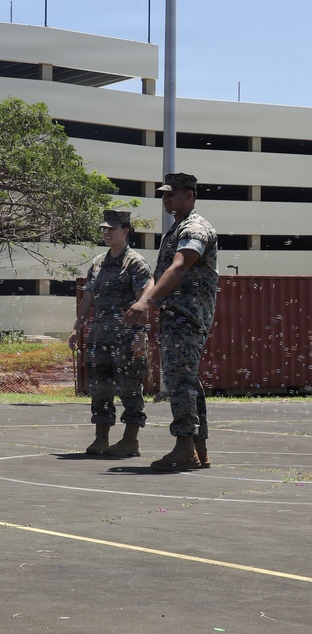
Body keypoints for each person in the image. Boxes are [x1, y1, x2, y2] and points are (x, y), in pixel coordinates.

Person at [125, 173, 219, 471]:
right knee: (187, 380)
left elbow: (179, 266)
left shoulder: (195, 228)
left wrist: (147, 301)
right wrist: (148, 298)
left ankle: (184, 448)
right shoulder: (176, 229)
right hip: (176, 313)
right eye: (164, 195)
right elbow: (161, 271)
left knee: (179, 380)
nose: (166, 199)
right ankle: (198, 448)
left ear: (189, 195)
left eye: (172, 194)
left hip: (187, 315)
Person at [69, 210, 153, 457]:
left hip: (126, 338)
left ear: (125, 231)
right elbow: (89, 297)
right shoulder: (98, 262)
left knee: (129, 388)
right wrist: (77, 326)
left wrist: (141, 335)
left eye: (111, 229)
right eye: (103, 229)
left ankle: (130, 440)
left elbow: (143, 301)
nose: (106, 233)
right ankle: (101, 438)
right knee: (100, 387)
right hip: (100, 337)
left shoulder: (136, 263)